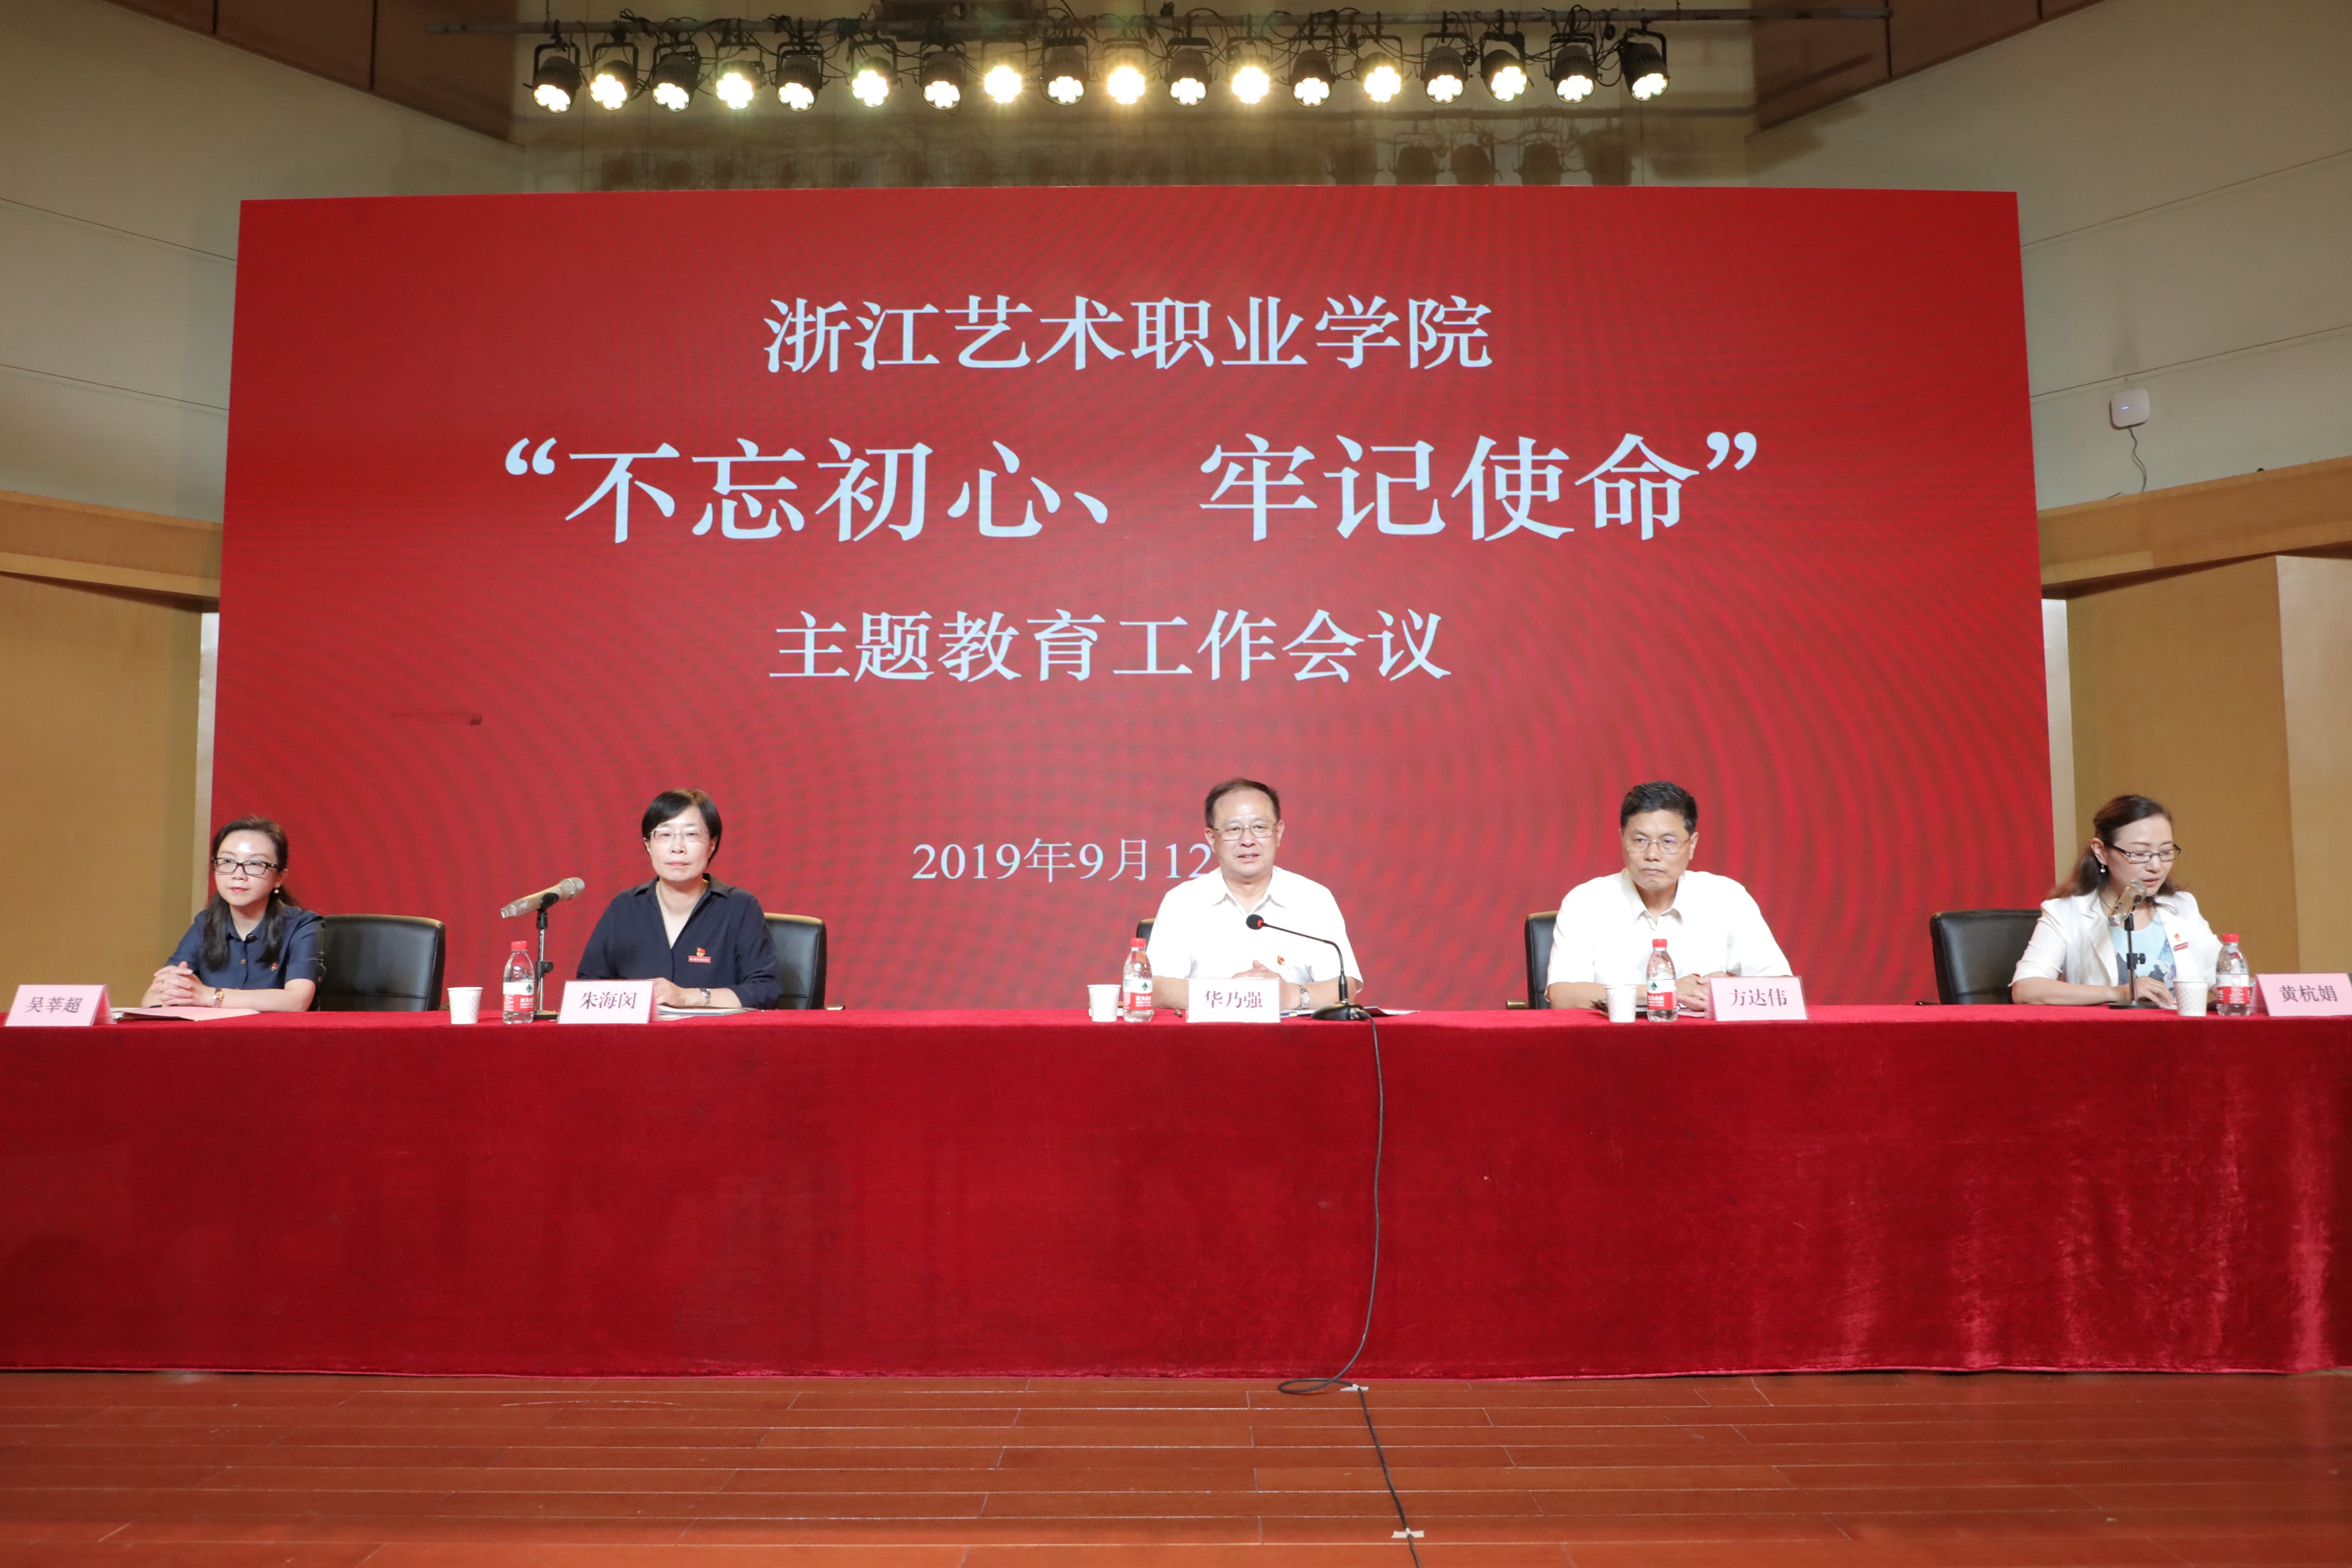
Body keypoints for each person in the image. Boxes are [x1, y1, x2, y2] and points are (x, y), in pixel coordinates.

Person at [1544, 781, 1790, 1016]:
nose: (1652, 854)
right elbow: (1562, 996)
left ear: (1691, 845)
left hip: (1705, 1041)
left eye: (1668, 842)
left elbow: (1782, 990)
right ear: (1622, 840)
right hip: (1611, 1041)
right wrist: (1667, 992)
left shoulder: (1726, 897)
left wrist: (1727, 992)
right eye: (1639, 840)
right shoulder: (1586, 902)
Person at [1145, 777, 1364, 1014]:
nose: (1247, 841)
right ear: (1211, 839)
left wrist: (1290, 994)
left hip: (1294, 1035)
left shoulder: (1313, 899)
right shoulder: (1182, 902)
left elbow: (1344, 989)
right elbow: (1156, 988)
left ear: (1278, 832)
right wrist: (1230, 994)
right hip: (1209, 1035)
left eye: (1259, 827)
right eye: (1233, 830)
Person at [577, 788, 782, 1010]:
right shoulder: (625, 907)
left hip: (712, 1031)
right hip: (640, 1032)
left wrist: (690, 997)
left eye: (691, 835)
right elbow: (587, 987)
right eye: (665, 835)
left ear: (712, 845)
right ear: (648, 845)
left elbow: (765, 989)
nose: (677, 848)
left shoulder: (739, 907)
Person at [2011, 793, 2218, 1006]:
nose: (2156, 866)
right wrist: (2118, 993)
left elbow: (2224, 974)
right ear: (2101, 851)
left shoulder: (2182, 906)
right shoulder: (2065, 913)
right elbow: (2027, 989)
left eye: (2165, 852)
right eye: (2140, 853)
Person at [144, 816, 323, 1011]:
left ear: (279, 877)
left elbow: (297, 1001)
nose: (238, 875)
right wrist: (173, 994)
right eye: (228, 861)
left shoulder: (302, 926)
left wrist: (209, 995)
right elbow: (152, 998)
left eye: (255, 864)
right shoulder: (205, 924)